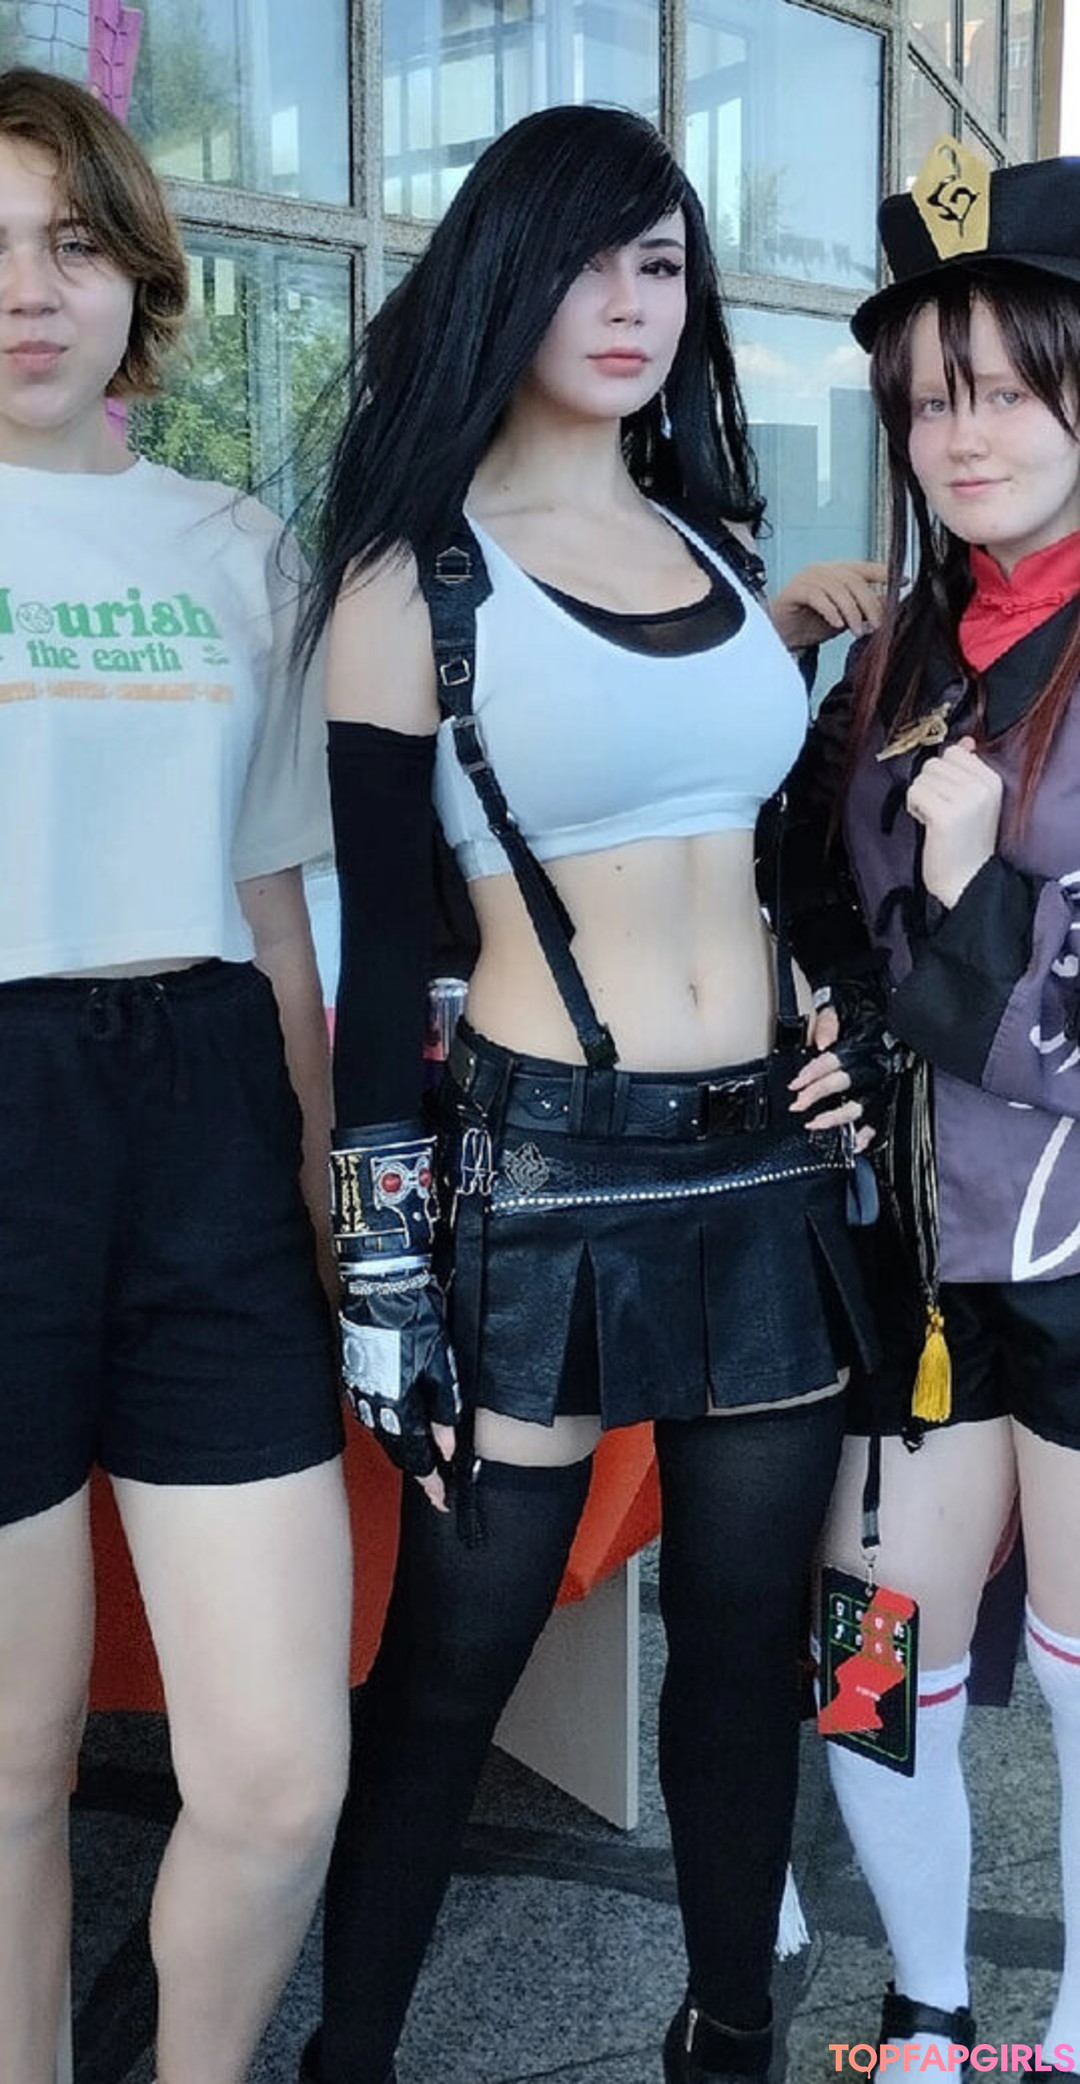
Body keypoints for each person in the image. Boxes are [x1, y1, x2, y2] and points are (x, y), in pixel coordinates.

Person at [301, 103, 891, 2084]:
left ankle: (730, 2036)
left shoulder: (716, 548)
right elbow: (383, 960)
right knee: (450, 1672)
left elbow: (770, 860)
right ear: (503, 275)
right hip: (545, 1177)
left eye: (663, 263)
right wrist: (383, 1273)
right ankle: (349, 2055)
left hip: (768, 1172)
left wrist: (846, 1023)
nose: (631, 304)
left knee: (743, 1660)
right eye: (586, 260)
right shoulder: (413, 583)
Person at [0, 67, 352, 2084]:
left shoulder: (240, 547)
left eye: (70, 241)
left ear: (138, 271)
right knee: (14, 1756)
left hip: (209, 1104)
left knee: (280, 1770)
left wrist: (321, 1191)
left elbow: (276, 902)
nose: (29, 290)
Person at [783, 144, 1080, 2072]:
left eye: (1007, 388)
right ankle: (928, 2006)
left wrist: (972, 902)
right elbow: (808, 889)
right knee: (868, 1654)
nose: (963, 435)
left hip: (1071, 1251)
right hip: (912, 1251)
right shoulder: (899, 647)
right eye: (925, 397)